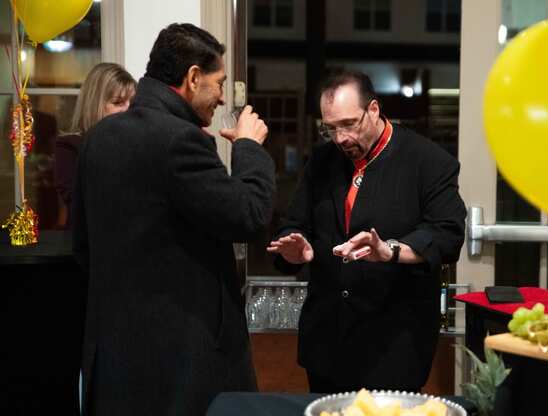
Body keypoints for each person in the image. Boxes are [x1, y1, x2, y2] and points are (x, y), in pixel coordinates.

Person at [73, 23, 274, 415]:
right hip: (177, 365)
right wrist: (249, 148)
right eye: (218, 83)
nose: (220, 98)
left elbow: (83, 247)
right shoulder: (181, 141)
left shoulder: (97, 138)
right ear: (192, 77)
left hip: (112, 354)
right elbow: (250, 215)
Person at [267, 69, 466, 393]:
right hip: (327, 342)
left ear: (373, 109)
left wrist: (391, 251)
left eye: (349, 124)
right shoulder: (322, 161)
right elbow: (294, 223)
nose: (341, 138)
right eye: (330, 128)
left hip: (394, 345)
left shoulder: (428, 161)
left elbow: (447, 234)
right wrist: (294, 247)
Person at [55, 62, 136, 228]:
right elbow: (80, 203)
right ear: (95, 104)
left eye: (132, 103)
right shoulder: (69, 147)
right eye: (118, 102)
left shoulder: (139, 144)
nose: (129, 110)